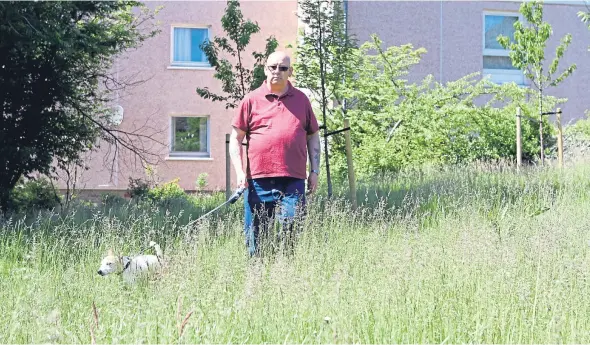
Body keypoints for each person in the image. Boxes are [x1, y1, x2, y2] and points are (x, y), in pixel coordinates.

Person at [229, 51, 321, 256]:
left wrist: (315, 170)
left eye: (282, 68)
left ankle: (284, 271)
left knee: (291, 226)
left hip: (293, 179)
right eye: (272, 67)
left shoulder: (301, 100)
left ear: (290, 72)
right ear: (265, 69)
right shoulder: (251, 100)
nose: (277, 72)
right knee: (256, 236)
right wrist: (240, 172)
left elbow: (313, 135)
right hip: (258, 180)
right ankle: (257, 275)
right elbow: (235, 139)